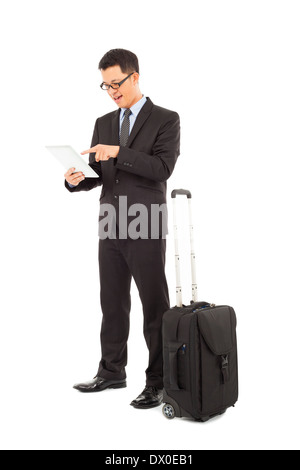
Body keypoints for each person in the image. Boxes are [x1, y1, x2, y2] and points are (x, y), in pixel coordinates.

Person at [64, 49, 180, 409]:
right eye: (106, 85)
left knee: (153, 305)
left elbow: (162, 168)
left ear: (135, 77)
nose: (112, 91)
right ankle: (111, 371)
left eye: (117, 83)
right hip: (110, 222)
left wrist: (117, 151)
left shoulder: (166, 118)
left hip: (145, 222)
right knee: (112, 302)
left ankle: (159, 381)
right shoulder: (103, 122)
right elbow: (100, 174)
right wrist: (76, 180)